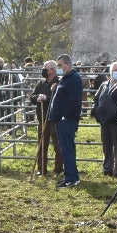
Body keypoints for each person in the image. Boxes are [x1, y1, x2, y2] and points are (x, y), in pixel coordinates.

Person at [47, 54, 83, 187]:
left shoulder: (73, 79)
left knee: (67, 149)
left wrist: (64, 116)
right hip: (62, 119)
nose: (58, 68)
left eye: (60, 65)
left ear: (68, 65)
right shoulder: (66, 78)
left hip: (67, 119)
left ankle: (72, 178)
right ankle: (70, 176)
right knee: (65, 149)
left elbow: (73, 101)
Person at [92, 60, 117, 176]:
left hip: (116, 120)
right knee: (106, 145)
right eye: (115, 70)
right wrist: (95, 111)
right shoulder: (104, 85)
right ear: (110, 72)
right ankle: (107, 168)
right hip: (104, 120)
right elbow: (96, 99)